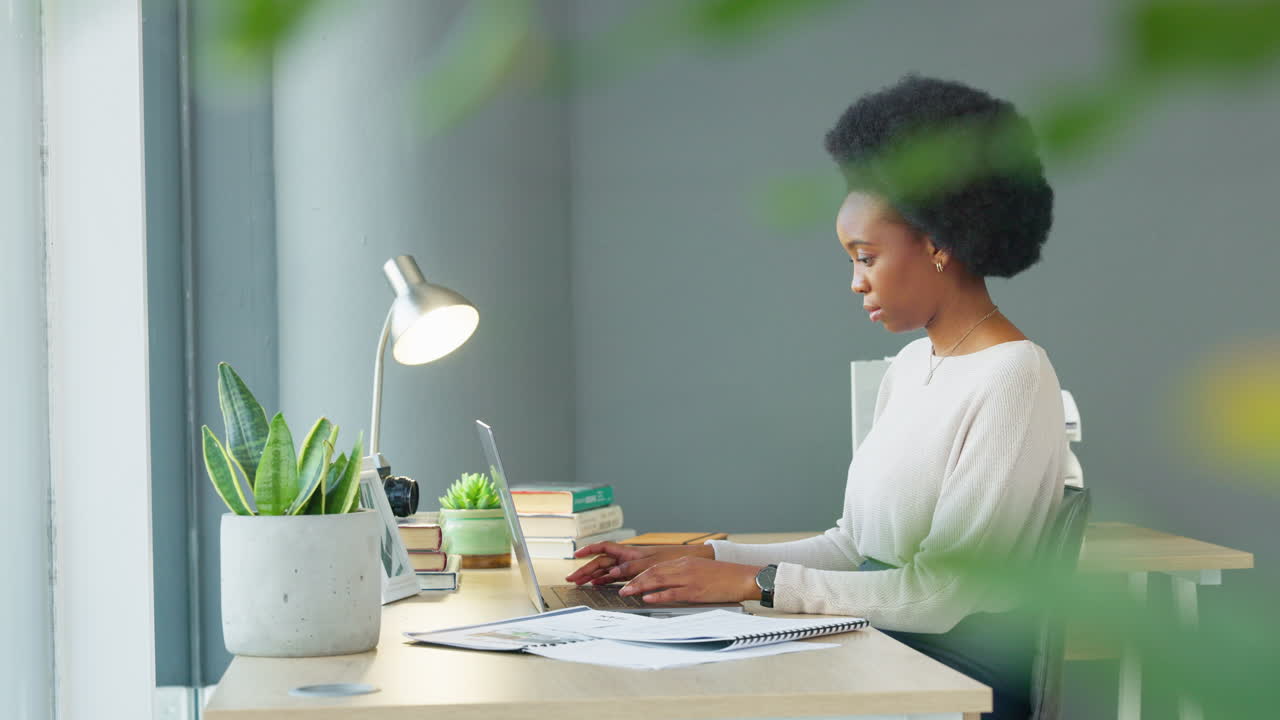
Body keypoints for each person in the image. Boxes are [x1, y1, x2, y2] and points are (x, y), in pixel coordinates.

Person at [565, 74, 1066, 720]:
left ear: (939, 244)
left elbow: (945, 594)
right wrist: (698, 559)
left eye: (866, 257)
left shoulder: (1014, 378)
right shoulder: (912, 367)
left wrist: (755, 584)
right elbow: (850, 546)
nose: (855, 284)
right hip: (885, 649)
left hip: (951, 678)